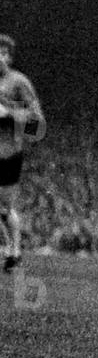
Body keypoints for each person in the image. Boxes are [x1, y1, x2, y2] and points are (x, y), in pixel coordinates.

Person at [0, 34, 46, 272]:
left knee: (4, 209)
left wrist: (9, 114)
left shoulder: (18, 82)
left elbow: (37, 121)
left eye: (2, 53)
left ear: (8, 57)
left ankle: (15, 251)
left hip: (9, 153)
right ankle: (11, 250)